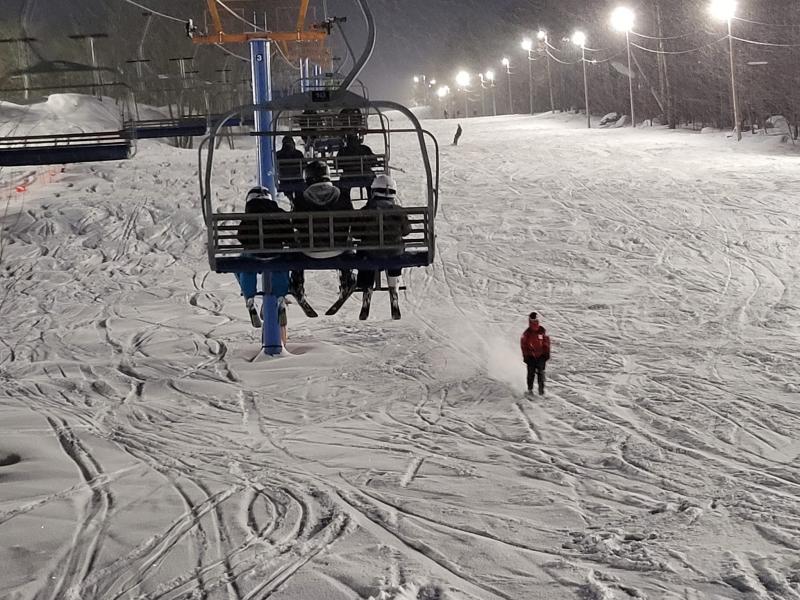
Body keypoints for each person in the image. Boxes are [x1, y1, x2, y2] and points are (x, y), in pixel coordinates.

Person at [290, 160, 355, 304]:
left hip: (309, 250)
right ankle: (347, 277)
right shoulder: (342, 196)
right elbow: (352, 219)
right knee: (348, 239)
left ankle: (297, 282)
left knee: (295, 244)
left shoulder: (301, 199)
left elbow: (295, 223)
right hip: (339, 249)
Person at [354, 174, 412, 319]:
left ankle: (367, 295)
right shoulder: (398, 210)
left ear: (374, 191)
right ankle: (394, 293)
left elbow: (356, 233)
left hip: (371, 254)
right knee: (395, 252)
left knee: (365, 256)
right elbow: (406, 231)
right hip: (393, 254)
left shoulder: (366, 210)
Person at [235, 186, 291, 327]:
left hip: (254, 255)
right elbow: (289, 233)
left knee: (243, 266)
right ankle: (280, 298)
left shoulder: (248, 215)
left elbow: (241, 236)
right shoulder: (278, 212)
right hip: (275, 254)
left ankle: (249, 297)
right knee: (281, 267)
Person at [336, 133, 376, 202]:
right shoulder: (365, 148)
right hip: (366, 176)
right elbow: (374, 162)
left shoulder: (343, 150)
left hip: (348, 177)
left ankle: (346, 204)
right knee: (373, 182)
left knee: (343, 187)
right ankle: (371, 201)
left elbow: (337, 165)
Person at [520, 312, 551, 395]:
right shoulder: (527, 333)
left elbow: (546, 342)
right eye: (533, 320)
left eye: (536, 319)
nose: (534, 322)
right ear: (530, 321)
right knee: (531, 374)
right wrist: (526, 356)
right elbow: (523, 345)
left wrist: (546, 353)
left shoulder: (542, 331)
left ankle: (541, 391)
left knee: (541, 373)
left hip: (541, 356)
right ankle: (530, 390)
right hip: (530, 357)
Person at [275, 135, 305, 204]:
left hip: (284, 180)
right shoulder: (298, 153)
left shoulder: (278, 154)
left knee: (289, 192)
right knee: (299, 193)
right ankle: (298, 202)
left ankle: (291, 199)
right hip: (298, 179)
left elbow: (275, 167)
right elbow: (304, 166)